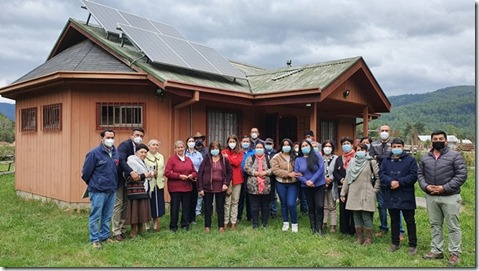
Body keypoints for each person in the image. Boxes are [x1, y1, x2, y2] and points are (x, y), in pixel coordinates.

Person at [418, 130, 467, 265]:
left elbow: (461, 175)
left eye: (440, 138)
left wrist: (444, 187)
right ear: (431, 141)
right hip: (431, 196)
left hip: (450, 196)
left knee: (453, 226)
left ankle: (454, 253)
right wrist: (426, 186)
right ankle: (436, 250)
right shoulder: (425, 157)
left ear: (445, 141)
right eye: (435, 139)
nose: (437, 140)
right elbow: (420, 174)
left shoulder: (455, 156)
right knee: (435, 225)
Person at [379, 138, 418, 255]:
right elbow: (381, 174)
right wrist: (390, 181)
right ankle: (395, 242)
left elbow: (413, 176)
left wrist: (399, 182)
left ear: (403, 147)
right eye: (394, 146)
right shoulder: (386, 160)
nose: (396, 149)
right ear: (391, 147)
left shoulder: (410, 160)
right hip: (391, 193)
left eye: (398, 146)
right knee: (394, 219)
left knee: (410, 220)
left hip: (405, 193)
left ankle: (413, 244)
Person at [81, 129, 119, 249]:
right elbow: (86, 173)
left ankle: (105, 236)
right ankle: (95, 239)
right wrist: (94, 183)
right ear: (102, 138)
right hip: (98, 190)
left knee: (107, 215)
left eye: (112, 137)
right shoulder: (94, 153)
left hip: (111, 189)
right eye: (108, 137)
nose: (110, 140)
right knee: (96, 215)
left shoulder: (115, 152)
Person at [340, 143, 380, 245]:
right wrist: (343, 193)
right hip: (354, 193)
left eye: (362, 149)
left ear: (366, 151)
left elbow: (378, 178)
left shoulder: (371, 162)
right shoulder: (352, 162)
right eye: (358, 149)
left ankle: (369, 239)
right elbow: (347, 178)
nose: (360, 151)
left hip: (366, 193)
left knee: (366, 216)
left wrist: (374, 190)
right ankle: (359, 238)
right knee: (356, 215)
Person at [112, 128, 144, 241]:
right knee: (118, 204)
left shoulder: (139, 148)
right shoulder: (125, 145)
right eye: (137, 135)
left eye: (141, 135)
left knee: (126, 204)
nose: (138, 137)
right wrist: (131, 172)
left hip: (130, 181)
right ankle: (116, 231)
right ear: (131, 135)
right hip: (120, 178)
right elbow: (121, 160)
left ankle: (122, 229)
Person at [198, 141, 232, 233]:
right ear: (210, 150)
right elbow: (200, 173)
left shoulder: (224, 159)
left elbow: (229, 172)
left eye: (216, 148)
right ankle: (207, 226)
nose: (215, 150)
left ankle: (221, 226)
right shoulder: (206, 160)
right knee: (207, 208)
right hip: (207, 187)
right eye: (213, 149)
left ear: (219, 149)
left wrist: (226, 183)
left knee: (220, 208)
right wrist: (200, 188)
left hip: (221, 187)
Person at [164, 140, 198, 232]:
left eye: (181, 147)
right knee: (175, 207)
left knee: (186, 207)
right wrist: (179, 176)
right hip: (175, 188)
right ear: (175, 149)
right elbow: (167, 172)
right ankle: (173, 226)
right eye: (178, 147)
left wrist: (192, 175)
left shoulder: (188, 159)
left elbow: (194, 171)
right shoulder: (172, 159)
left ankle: (185, 224)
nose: (180, 149)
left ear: (184, 148)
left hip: (187, 187)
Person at [294, 139, 326, 236]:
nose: (305, 147)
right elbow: (297, 174)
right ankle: (313, 227)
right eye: (302, 146)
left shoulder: (317, 156)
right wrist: (306, 182)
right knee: (311, 207)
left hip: (319, 185)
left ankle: (320, 228)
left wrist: (312, 180)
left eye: (306, 145)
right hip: (306, 186)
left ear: (310, 147)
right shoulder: (298, 160)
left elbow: (321, 169)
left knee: (319, 206)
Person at [271, 138, 300, 232]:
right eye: (284, 145)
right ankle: (285, 222)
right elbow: (275, 170)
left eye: (288, 145)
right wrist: (288, 174)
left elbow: (300, 168)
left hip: (293, 183)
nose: (286, 146)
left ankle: (294, 223)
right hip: (280, 183)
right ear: (281, 146)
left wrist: (295, 174)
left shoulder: (296, 156)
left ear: (291, 146)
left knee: (291, 203)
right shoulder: (276, 157)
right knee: (283, 204)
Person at [126, 143, 154, 238]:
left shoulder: (143, 162)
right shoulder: (132, 161)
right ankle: (133, 232)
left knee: (142, 210)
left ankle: (140, 231)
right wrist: (146, 175)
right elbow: (132, 177)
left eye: (145, 152)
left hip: (143, 190)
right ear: (136, 152)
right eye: (142, 152)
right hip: (135, 190)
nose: (144, 154)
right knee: (135, 210)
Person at [243, 141, 273, 229]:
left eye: (261, 147)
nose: (259, 149)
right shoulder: (250, 158)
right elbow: (246, 168)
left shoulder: (268, 158)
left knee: (265, 206)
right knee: (254, 206)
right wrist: (256, 173)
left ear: (263, 149)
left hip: (266, 186)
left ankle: (265, 223)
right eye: (257, 147)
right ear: (255, 149)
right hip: (253, 186)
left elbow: (273, 169)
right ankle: (255, 223)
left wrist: (266, 172)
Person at [370, 125, 392, 238]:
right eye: (382, 130)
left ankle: (400, 230)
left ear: (390, 132)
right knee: (381, 205)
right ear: (379, 132)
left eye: (386, 130)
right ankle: (383, 228)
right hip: (378, 178)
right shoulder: (373, 144)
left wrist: (379, 156)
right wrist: (385, 157)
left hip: (391, 179)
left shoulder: (394, 144)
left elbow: (392, 157)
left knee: (395, 205)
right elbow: (371, 157)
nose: (384, 132)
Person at [333, 136, 356, 236]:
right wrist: (341, 179)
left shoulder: (356, 157)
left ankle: (353, 230)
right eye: (343, 144)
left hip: (354, 186)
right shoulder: (339, 158)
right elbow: (335, 172)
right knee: (343, 208)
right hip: (341, 186)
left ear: (352, 145)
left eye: (348, 143)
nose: (345, 146)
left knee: (353, 208)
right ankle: (344, 229)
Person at [222, 134, 244, 229]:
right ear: (227, 143)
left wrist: (228, 158)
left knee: (235, 201)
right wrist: (229, 159)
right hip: (226, 179)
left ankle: (233, 221)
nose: (232, 143)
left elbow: (237, 163)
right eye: (230, 142)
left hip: (237, 179)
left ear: (237, 142)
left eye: (233, 141)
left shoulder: (240, 152)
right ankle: (225, 221)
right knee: (227, 202)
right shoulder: (223, 151)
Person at [145, 139, 165, 232]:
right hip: (149, 184)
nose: (155, 146)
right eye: (153, 144)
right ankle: (147, 225)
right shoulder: (145, 156)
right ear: (149, 146)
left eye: (157, 145)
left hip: (159, 183)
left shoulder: (160, 156)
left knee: (158, 203)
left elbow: (163, 168)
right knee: (148, 203)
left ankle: (156, 224)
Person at [185, 136, 204, 225]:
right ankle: (186, 217)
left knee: (194, 199)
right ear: (187, 143)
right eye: (190, 141)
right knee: (186, 199)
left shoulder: (198, 154)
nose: (191, 142)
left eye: (193, 141)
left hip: (195, 179)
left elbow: (202, 167)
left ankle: (192, 218)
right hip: (185, 179)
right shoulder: (184, 153)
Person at [321, 140, 339, 233]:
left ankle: (333, 224)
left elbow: (337, 170)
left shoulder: (336, 158)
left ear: (332, 148)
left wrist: (330, 178)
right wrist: (324, 179)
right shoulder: (319, 158)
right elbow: (318, 170)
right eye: (325, 146)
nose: (327, 148)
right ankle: (324, 222)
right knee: (324, 204)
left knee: (332, 205)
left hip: (332, 184)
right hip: (322, 184)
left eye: (329, 146)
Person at [237, 136, 255, 222]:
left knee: (249, 196)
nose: (245, 143)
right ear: (241, 142)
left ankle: (250, 216)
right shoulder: (238, 152)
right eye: (244, 141)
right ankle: (238, 216)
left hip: (250, 176)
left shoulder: (253, 152)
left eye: (247, 141)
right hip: (239, 176)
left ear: (250, 143)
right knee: (240, 197)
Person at [264, 138, 278, 218]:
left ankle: (274, 211)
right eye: (267, 144)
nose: (268, 145)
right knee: (266, 194)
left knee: (274, 195)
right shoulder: (263, 153)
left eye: (270, 144)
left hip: (274, 177)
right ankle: (266, 211)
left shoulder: (276, 153)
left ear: (273, 144)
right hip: (264, 177)